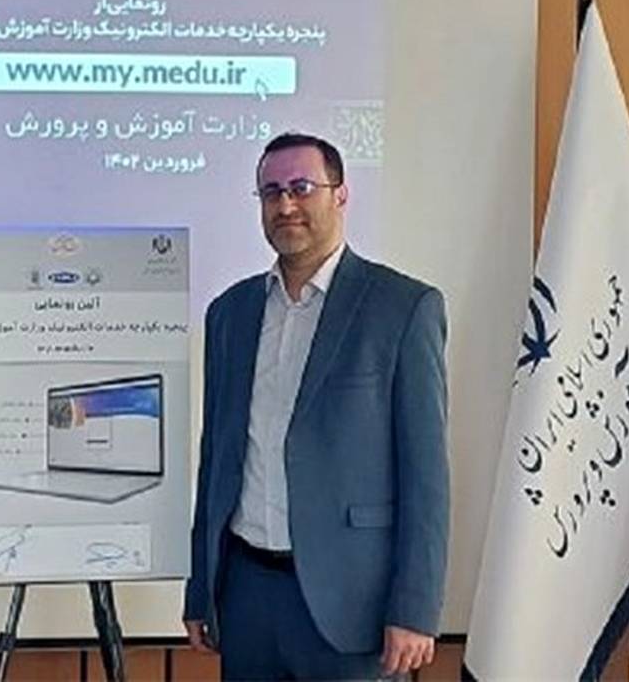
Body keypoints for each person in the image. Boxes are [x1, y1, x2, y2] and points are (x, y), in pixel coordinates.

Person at [183, 133, 450, 680]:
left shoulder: (402, 309)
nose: (286, 205)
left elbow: (426, 477)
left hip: (353, 607)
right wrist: (200, 587)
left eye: (302, 187)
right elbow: (216, 463)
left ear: (340, 194)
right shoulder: (229, 314)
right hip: (248, 597)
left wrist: (415, 608)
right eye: (271, 192)